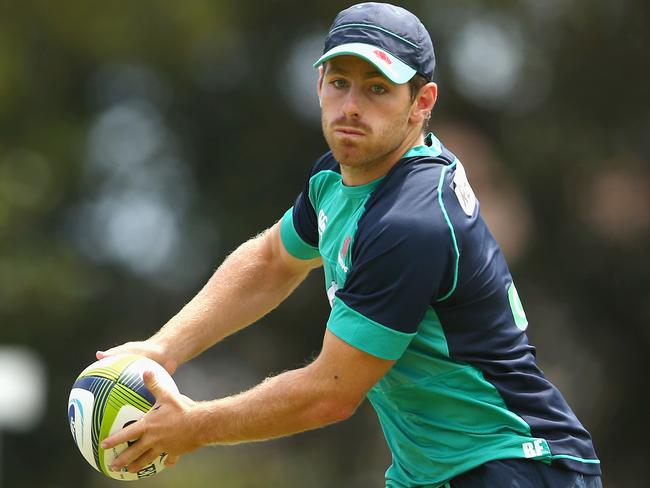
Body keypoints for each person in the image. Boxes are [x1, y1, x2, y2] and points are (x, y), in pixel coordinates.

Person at [98, 3, 602, 487]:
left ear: (421, 103)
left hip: (517, 465)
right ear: (319, 85)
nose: (352, 108)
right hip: (435, 473)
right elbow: (273, 260)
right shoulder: (336, 180)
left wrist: (194, 425)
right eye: (340, 84)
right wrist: (164, 347)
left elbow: (329, 395)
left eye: (378, 89)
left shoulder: (411, 221)